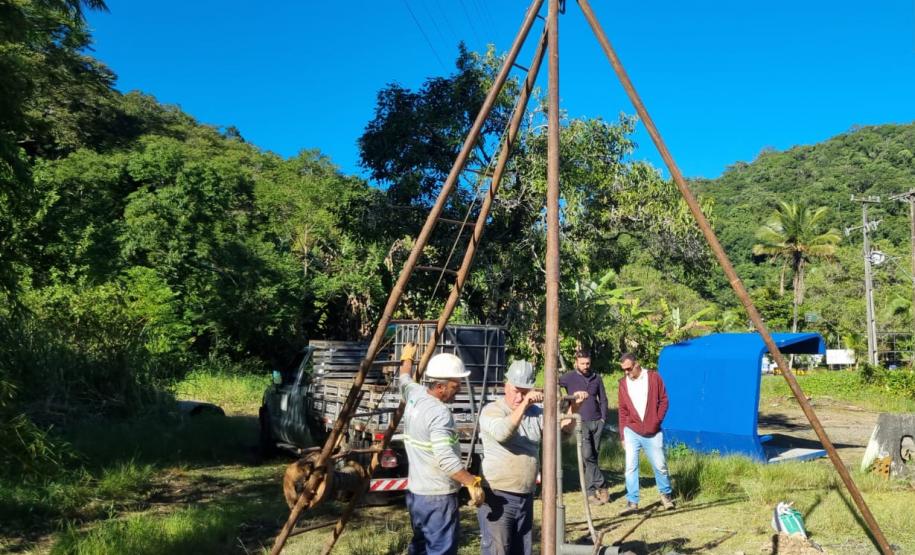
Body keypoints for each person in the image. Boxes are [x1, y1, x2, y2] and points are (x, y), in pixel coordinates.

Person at [477, 360, 587, 555]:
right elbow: (502, 433)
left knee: (522, 550)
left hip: (525, 496)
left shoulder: (536, 413)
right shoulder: (492, 410)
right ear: (506, 387)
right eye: (516, 391)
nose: (519, 397)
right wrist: (526, 402)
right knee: (498, 550)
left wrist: (574, 409)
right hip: (498, 496)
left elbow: (561, 435)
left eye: (524, 392)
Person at [398, 342, 485, 555]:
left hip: (416, 495)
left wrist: (407, 358)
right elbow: (446, 460)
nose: (460, 390)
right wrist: (471, 482)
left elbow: (404, 379)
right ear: (440, 387)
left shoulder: (414, 394)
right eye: (456, 386)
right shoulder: (439, 413)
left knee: (419, 547)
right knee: (440, 550)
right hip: (437, 497)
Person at [617, 352, 675, 515]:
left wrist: (656, 420)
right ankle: (632, 501)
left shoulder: (654, 378)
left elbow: (664, 400)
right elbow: (622, 411)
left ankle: (666, 496)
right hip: (631, 430)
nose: (626, 373)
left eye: (628, 369)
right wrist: (622, 435)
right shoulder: (623, 384)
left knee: (660, 465)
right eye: (624, 370)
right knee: (630, 467)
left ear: (636, 364)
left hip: (652, 431)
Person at [559, 350, 609, 505]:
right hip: (580, 421)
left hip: (597, 422)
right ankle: (602, 485)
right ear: (576, 363)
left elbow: (603, 399)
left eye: (588, 363)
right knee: (587, 456)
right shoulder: (568, 377)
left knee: (592, 457)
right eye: (582, 363)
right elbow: (554, 385)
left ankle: (590, 494)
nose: (586, 366)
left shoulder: (596, 378)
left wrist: (603, 418)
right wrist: (563, 401)